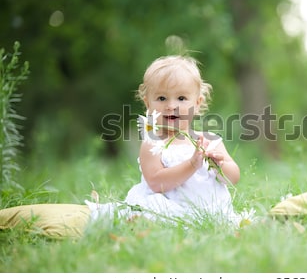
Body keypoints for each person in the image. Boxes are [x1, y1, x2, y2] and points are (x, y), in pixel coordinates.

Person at [87, 55, 243, 226]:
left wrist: (219, 166)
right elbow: (156, 182)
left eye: (181, 98)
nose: (171, 106)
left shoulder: (209, 140)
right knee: (154, 212)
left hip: (209, 210)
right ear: (148, 104)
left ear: (197, 103)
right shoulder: (153, 143)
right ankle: (144, 222)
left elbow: (233, 178)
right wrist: (192, 165)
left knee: (222, 222)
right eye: (162, 98)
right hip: (168, 207)